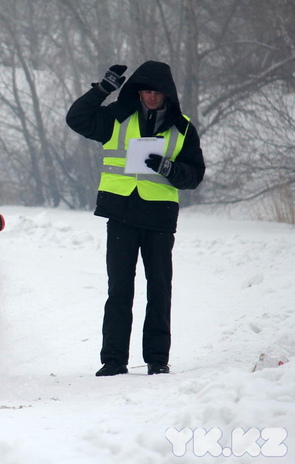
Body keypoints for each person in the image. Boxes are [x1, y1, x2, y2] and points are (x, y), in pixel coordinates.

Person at [65, 61, 205, 376]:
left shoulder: (182, 128)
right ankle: (114, 360)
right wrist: (103, 89)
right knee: (119, 290)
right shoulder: (118, 117)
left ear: (166, 93)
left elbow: (195, 176)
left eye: (156, 91)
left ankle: (157, 360)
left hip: (159, 218)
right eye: (146, 90)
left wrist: (170, 169)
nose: (151, 96)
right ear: (138, 91)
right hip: (121, 215)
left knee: (159, 289)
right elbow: (76, 118)